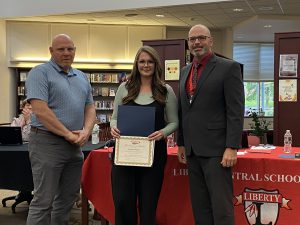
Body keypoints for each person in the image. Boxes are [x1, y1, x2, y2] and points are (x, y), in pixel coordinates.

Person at [177, 24, 244, 225]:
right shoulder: (185, 71)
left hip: (217, 151)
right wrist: (181, 142)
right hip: (192, 151)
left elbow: (235, 110)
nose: (197, 42)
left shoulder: (228, 67)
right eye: (192, 39)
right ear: (188, 44)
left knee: (221, 207)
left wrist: (232, 147)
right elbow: (184, 110)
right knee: (200, 206)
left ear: (211, 40)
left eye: (201, 38)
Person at [25, 34, 96, 225]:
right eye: (61, 49)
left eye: (70, 49)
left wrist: (86, 131)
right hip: (47, 143)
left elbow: (90, 107)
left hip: (74, 146)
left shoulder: (81, 76)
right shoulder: (39, 73)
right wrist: (67, 134)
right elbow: (40, 110)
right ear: (51, 51)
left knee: (67, 200)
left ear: (75, 50)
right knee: (43, 201)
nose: (66, 53)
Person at [110, 45, 178, 225]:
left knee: (148, 205)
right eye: (142, 61)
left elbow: (174, 122)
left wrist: (163, 132)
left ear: (156, 65)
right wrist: (113, 127)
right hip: (124, 156)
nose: (146, 65)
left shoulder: (165, 90)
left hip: (153, 156)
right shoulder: (124, 88)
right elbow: (114, 118)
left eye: (150, 61)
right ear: (136, 64)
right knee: (123, 203)